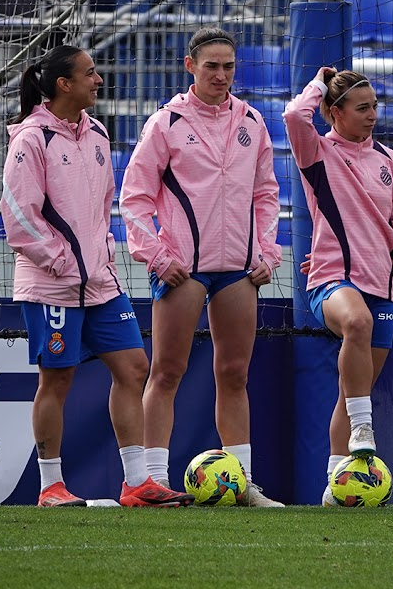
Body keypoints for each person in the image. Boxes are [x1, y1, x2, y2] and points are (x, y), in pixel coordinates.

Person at [1, 45, 194, 509]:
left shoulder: (99, 134)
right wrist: (62, 261)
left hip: (101, 281)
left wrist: (102, 251)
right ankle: (51, 487)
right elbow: (18, 217)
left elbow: (104, 202)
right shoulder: (30, 140)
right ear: (64, 84)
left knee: (133, 367)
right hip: (52, 283)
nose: (99, 80)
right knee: (58, 379)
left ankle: (136, 483)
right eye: (90, 73)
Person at [118, 27, 284, 506]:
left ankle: (244, 485)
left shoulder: (252, 120)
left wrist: (268, 251)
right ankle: (150, 481)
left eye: (229, 65)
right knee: (167, 371)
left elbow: (266, 193)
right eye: (211, 65)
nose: (221, 74)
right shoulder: (165, 123)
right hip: (182, 269)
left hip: (238, 269)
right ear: (189, 66)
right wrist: (157, 255)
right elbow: (134, 198)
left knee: (234, 373)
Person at [284, 66, 393, 505]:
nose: (372, 114)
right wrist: (318, 82)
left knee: (353, 389)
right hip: (333, 279)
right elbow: (296, 116)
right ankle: (364, 428)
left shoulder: (389, 160)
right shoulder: (317, 152)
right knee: (356, 323)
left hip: (382, 283)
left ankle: (336, 487)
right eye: (362, 107)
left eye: (374, 106)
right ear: (334, 113)